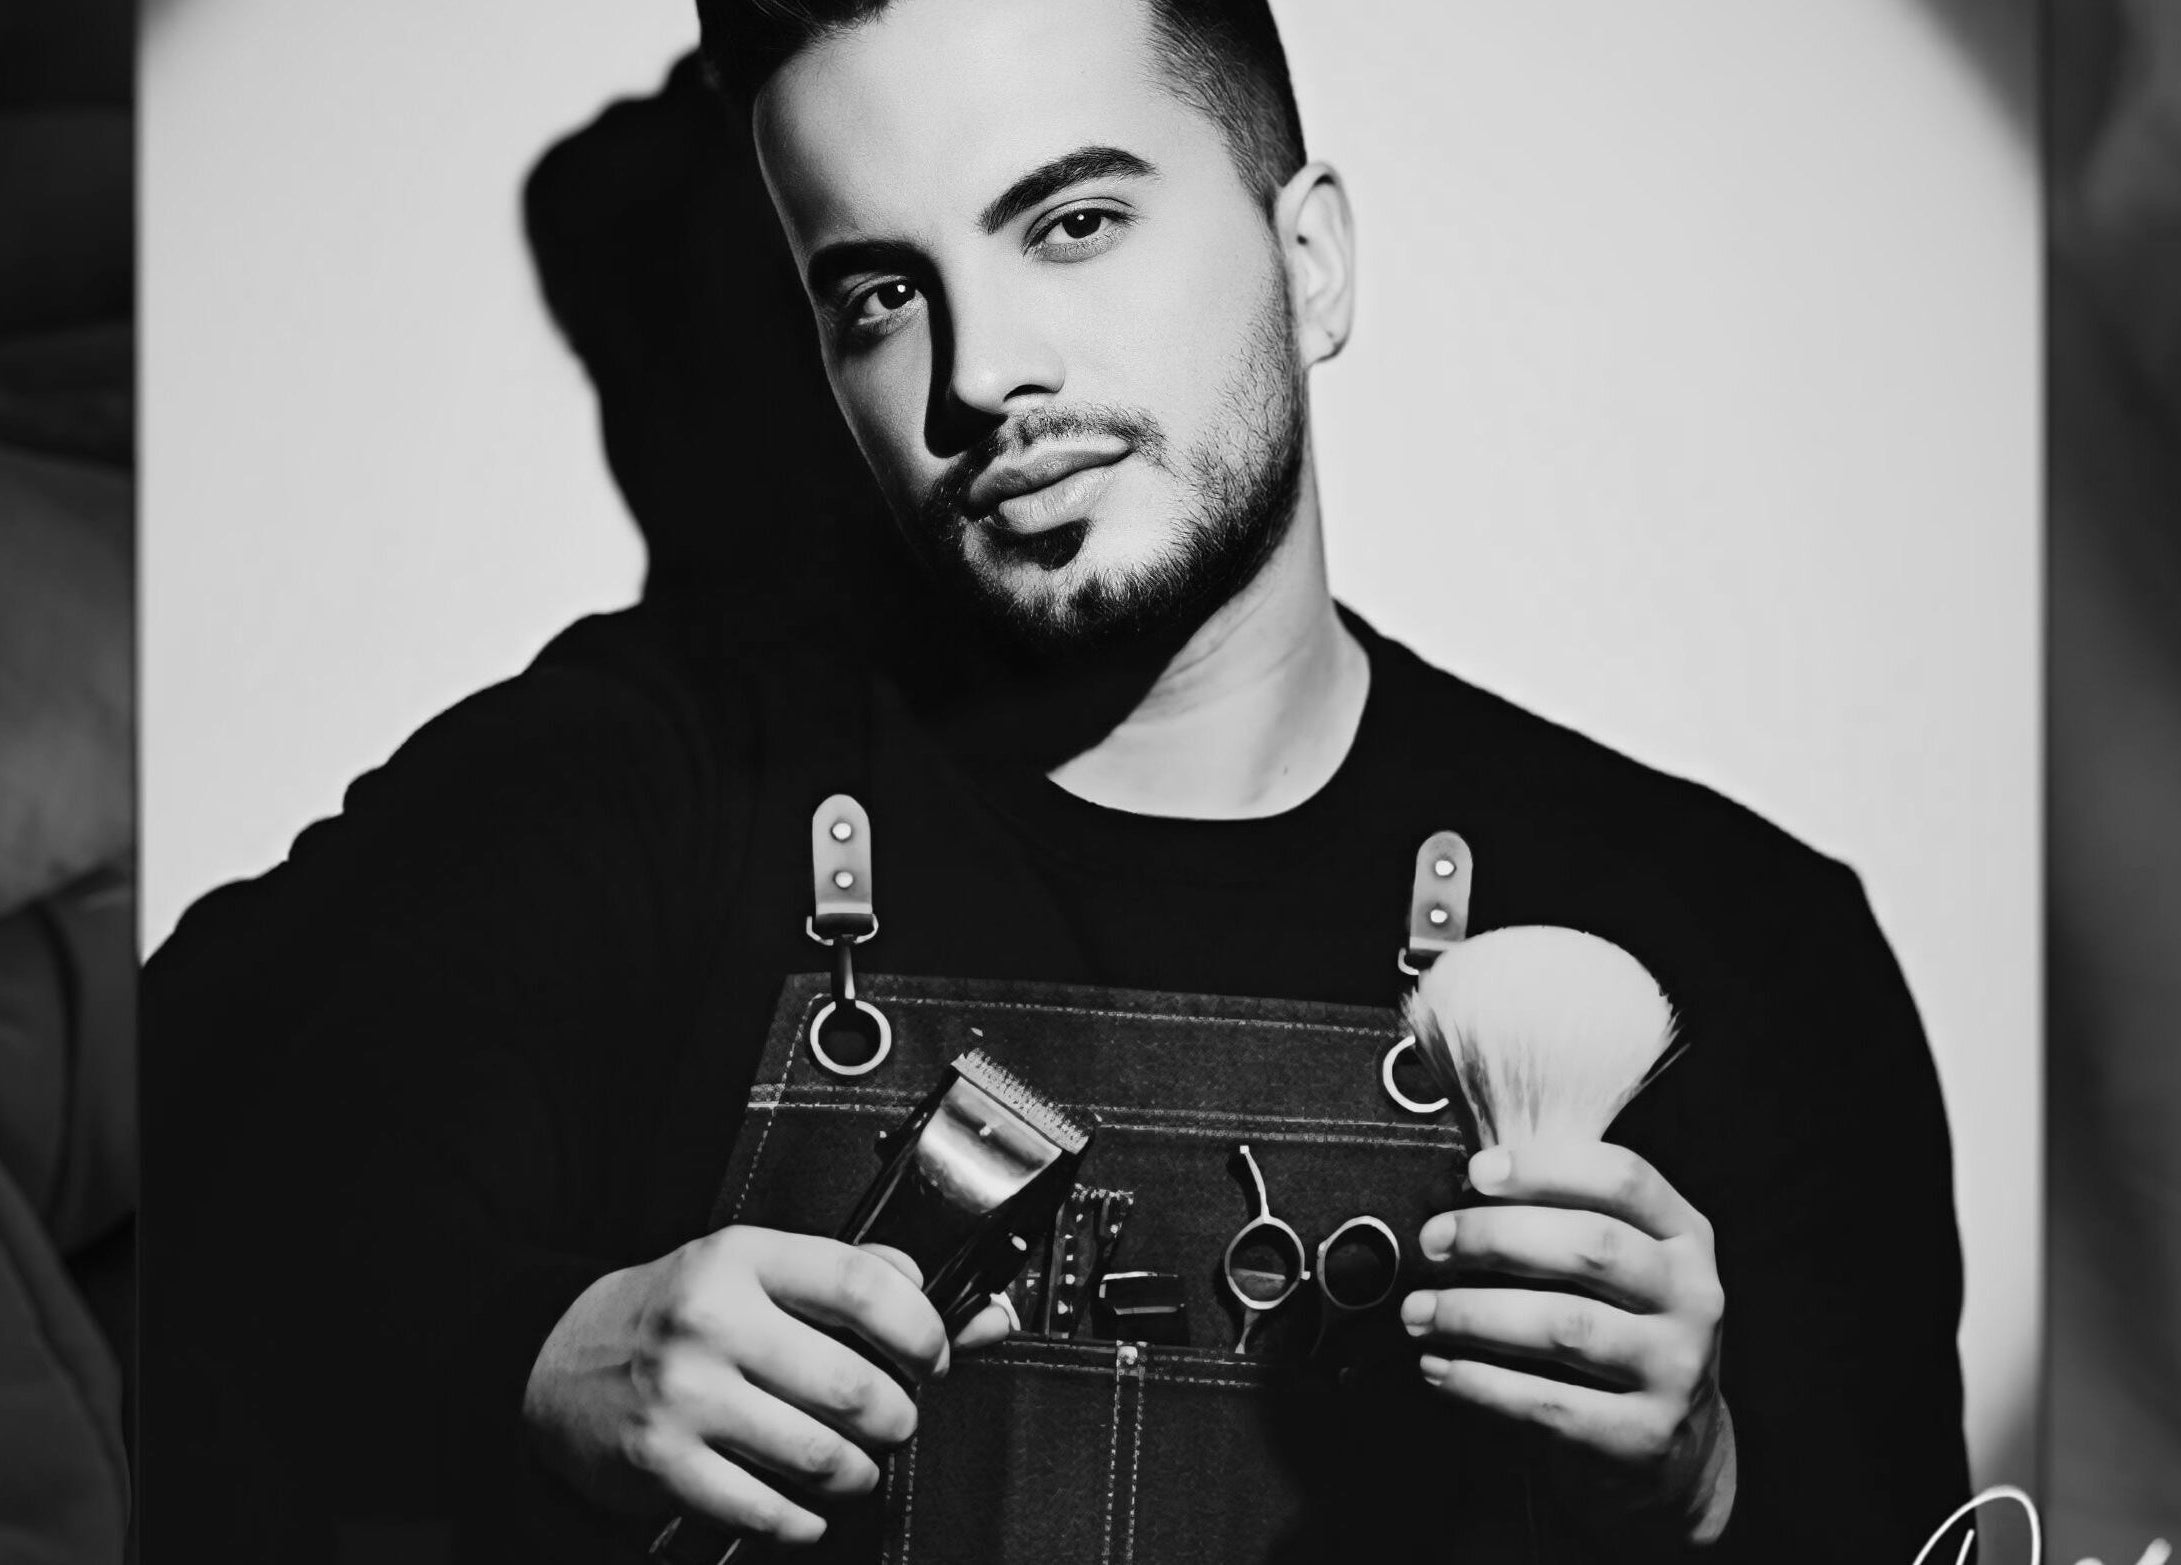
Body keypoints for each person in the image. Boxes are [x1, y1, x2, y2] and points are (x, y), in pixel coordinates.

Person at [144, 0, 1974, 1560]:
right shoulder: (646, 787)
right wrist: (527, 1364)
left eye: (1074, 222)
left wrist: (1719, 1484)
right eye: (877, 293)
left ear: (1309, 256)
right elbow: (172, 1204)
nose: (982, 372)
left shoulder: (1732, 944)